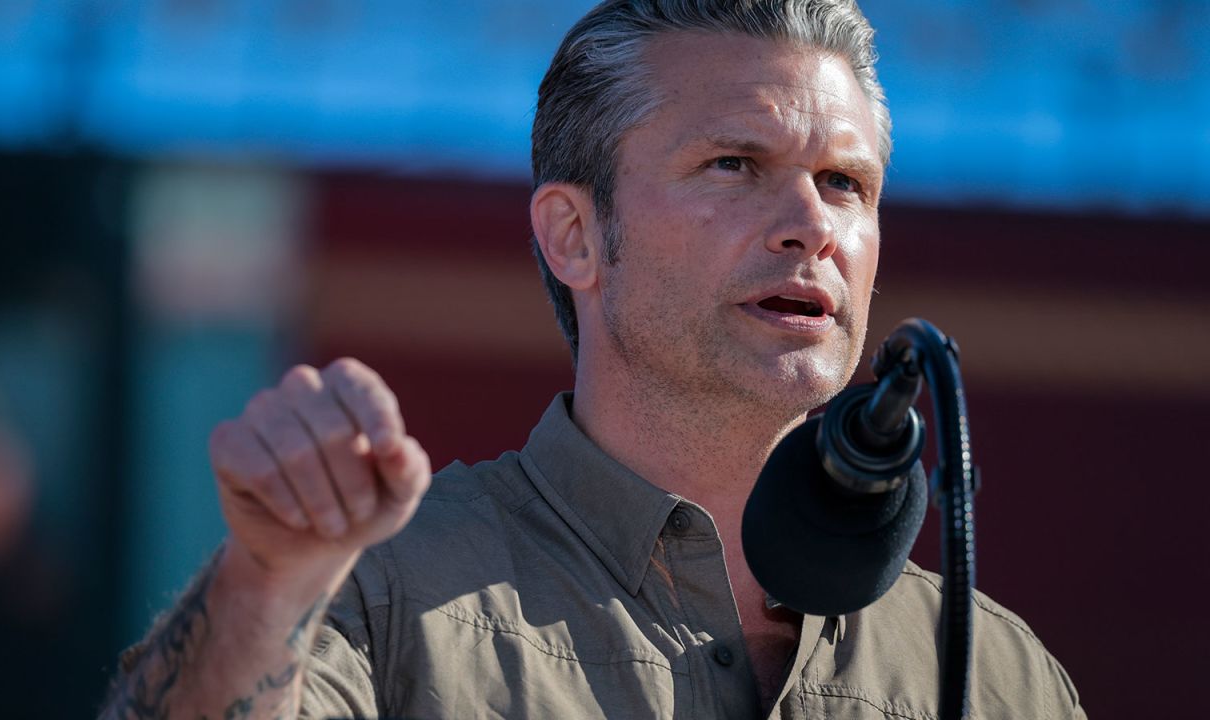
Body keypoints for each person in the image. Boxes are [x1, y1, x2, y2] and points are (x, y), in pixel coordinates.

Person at [101, 1, 1085, 718]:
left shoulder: (997, 674)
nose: (808, 227)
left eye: (843, 184)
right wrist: (268, 579)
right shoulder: (378, 596)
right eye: (733, 165)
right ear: (572, 236)